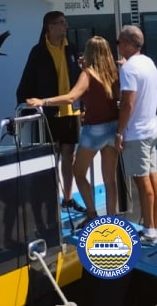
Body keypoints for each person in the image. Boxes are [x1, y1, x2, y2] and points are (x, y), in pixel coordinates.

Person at [27, 36, 120, 228]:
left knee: (78, 172)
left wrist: (43, 101)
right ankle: (111, 220)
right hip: (113, 127)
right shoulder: (114, 72)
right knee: (110, 178)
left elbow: (71, 98)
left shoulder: (87, 74)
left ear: (90, 53)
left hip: (94, 129)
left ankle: (92, 214)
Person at [16, 11, 84, 214]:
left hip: (71, 112)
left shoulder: (71, 49)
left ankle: (68, 198)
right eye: (61, 23)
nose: (65, 27)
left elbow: (79, 80)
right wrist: (24, 105)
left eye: (65, 23)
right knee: (52, 155)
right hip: (49, 113)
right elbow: (27, 81)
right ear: (50, 27)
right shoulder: (38, 51)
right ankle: (51, 198)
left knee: (68, 155)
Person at [115, 25, 157, 247]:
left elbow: (127, 104)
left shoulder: (129, 69)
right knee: (153, 177)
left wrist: (119, 131)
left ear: (129, 44)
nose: (118, 46)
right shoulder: (148, 62)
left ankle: (149, 231)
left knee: (142, 182)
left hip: (137, 133)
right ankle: (156, 225)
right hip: (152, 128)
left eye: (119, 42)